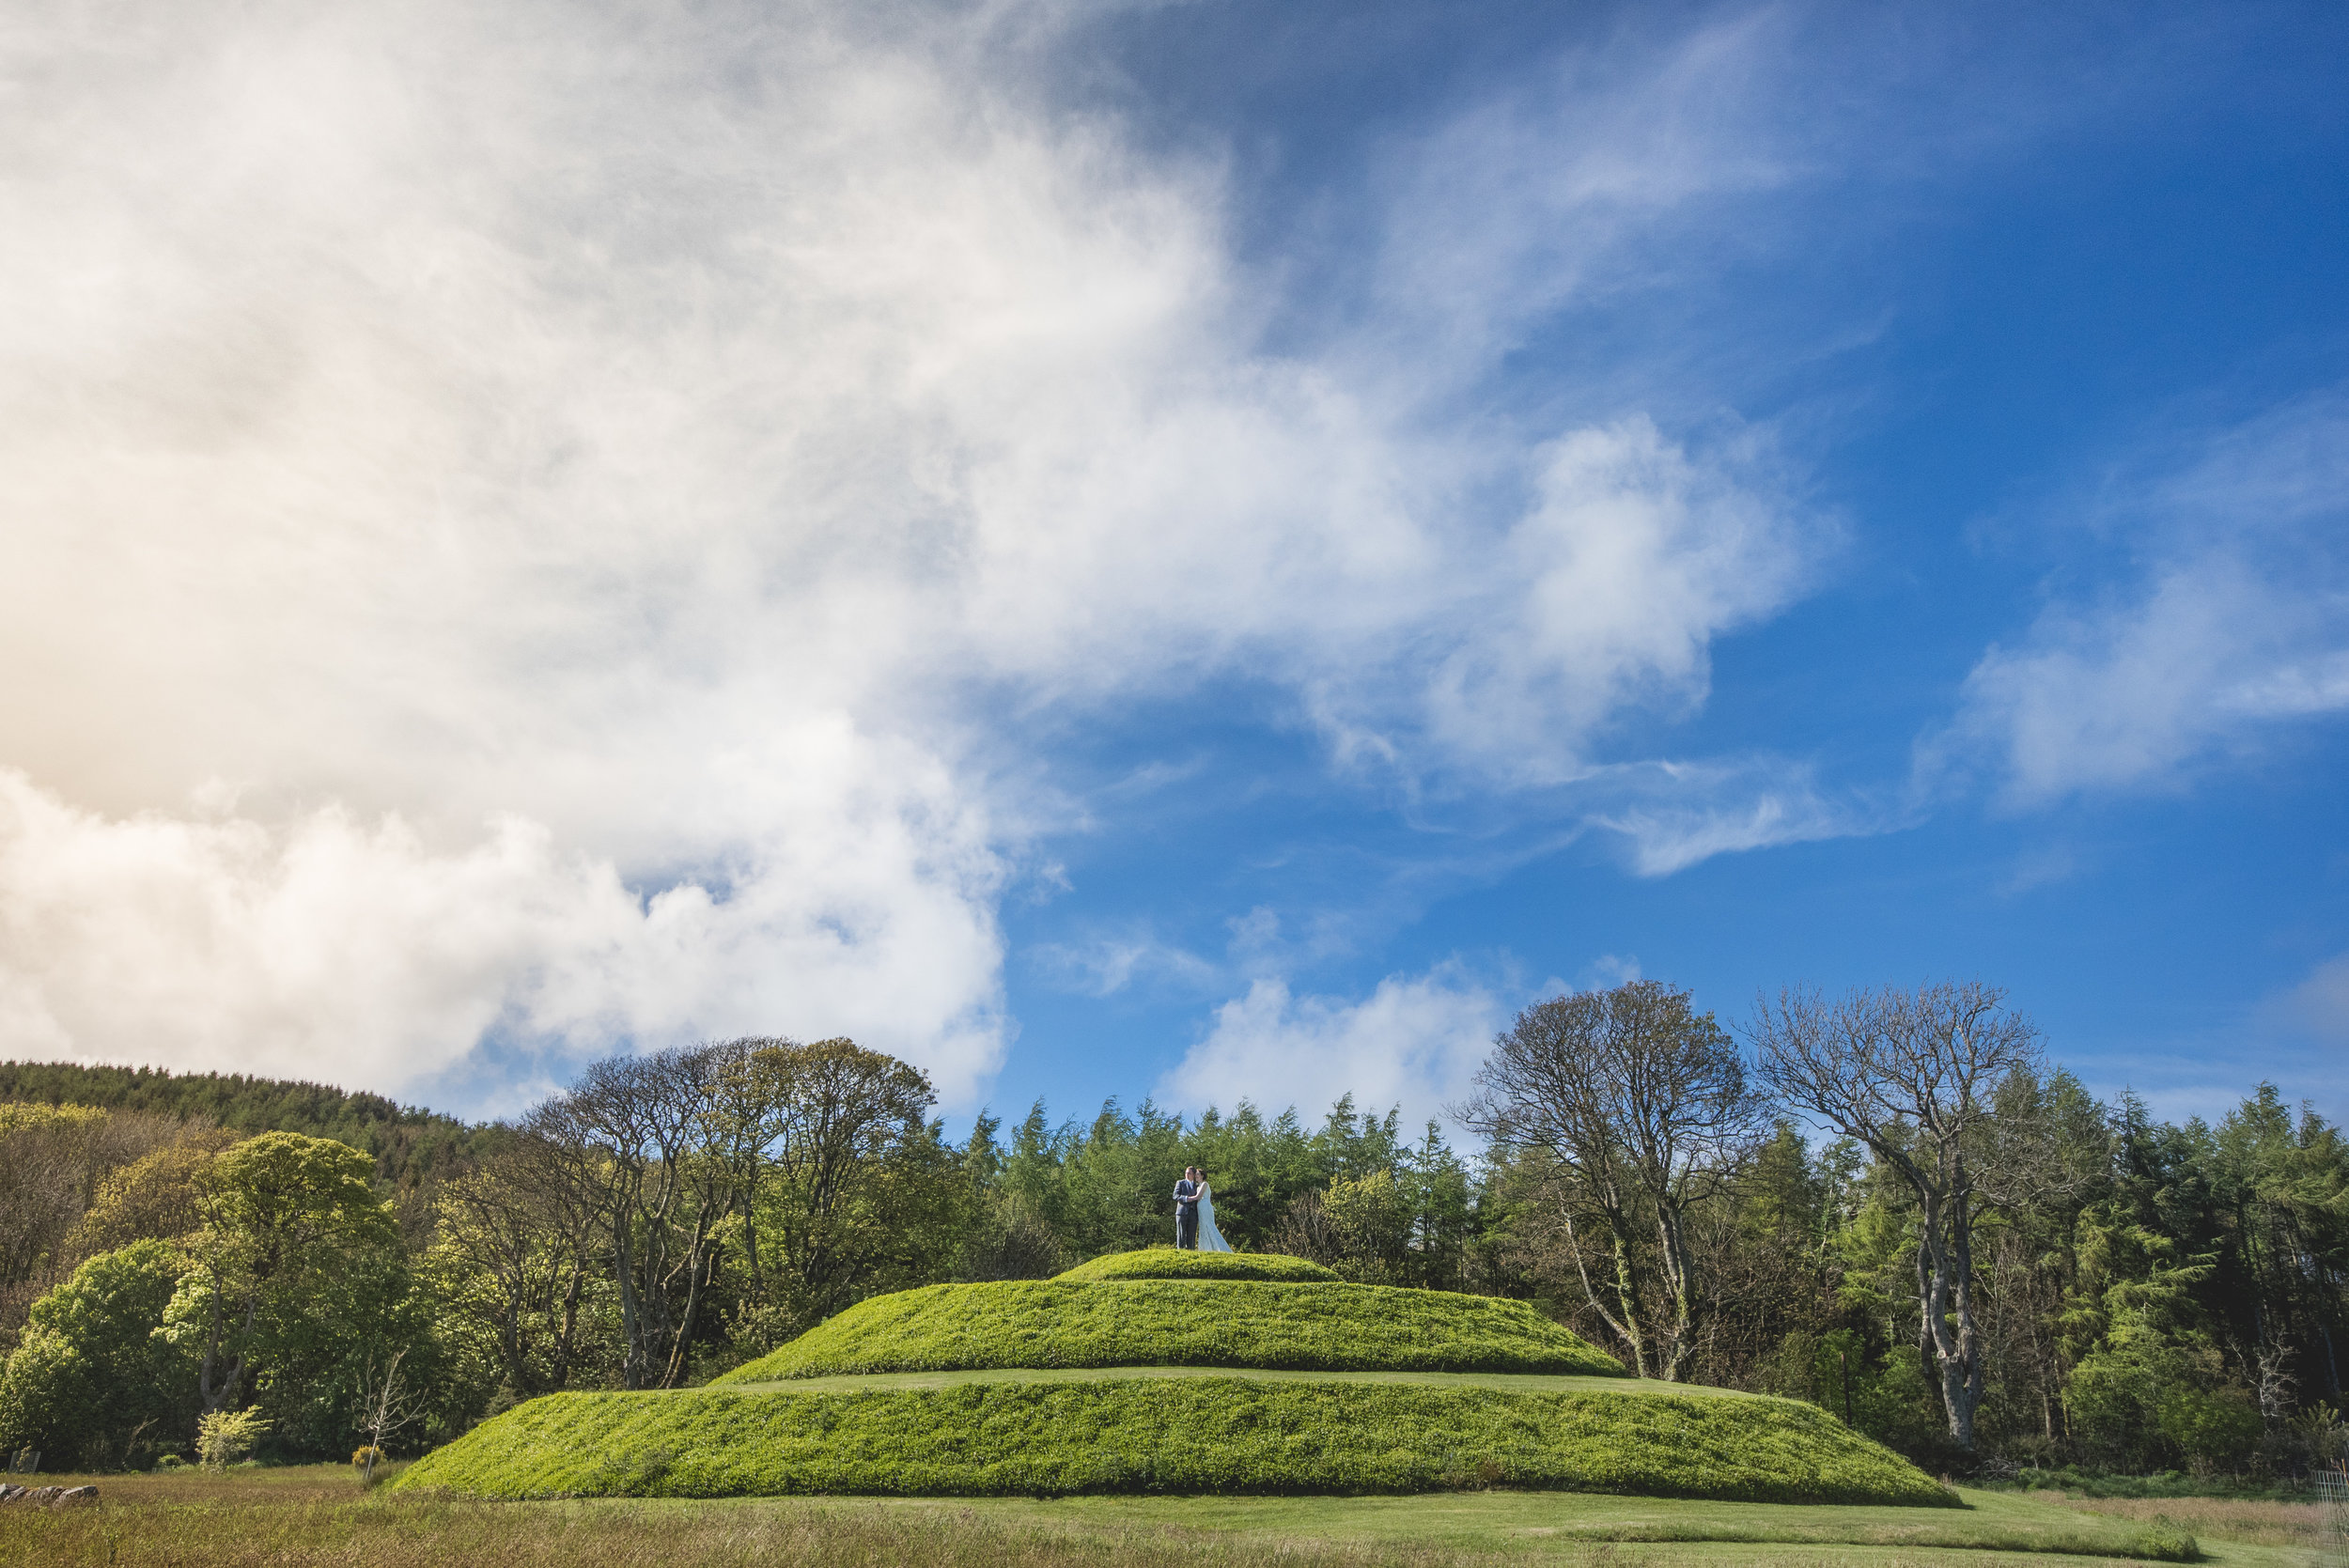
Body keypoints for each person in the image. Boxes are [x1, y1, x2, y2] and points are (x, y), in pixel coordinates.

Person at [1173, 1166, 1203, 1249]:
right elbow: (1175, 1196)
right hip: (1182, 1213)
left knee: (1191, 1235)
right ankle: (1180, 1253)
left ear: (1193, 1174)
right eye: (1186, 1173)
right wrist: (1186, 1198)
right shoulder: (1180, 1183)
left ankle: (1191, 1253)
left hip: (1193, 1214)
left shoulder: (1198, 1185)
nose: (1187, 1174)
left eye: (1189, 1173)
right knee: (1181, 1234)